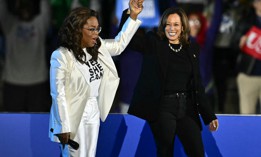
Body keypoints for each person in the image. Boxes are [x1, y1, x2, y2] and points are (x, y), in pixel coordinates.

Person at [119, 7, 219, 157]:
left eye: (176, 25)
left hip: (186, 108)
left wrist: (209, 115)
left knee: (197, 152)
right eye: (168, 24)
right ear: (163, 26)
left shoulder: (192, 48)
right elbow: (129, 39)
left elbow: (197, 85)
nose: (171, 28)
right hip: (162, 107)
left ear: (183, 27)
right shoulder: (154, 42)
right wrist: (131, 14)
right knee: (166, 151)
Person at [48, 0, 143, 156]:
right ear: (78, 30)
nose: (96, 33)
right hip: (73, 114)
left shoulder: (97, 46)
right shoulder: (61, 55)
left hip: (93, 109)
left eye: (97, 28)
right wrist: (63, 126)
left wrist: (132, 16)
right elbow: (58, 94)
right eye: (91, 29)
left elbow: (119, 44)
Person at [0, 0, 51, 112]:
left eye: (28, 4)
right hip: (13, 83)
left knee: (38, 123)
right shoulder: (10, 25)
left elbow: (45, 6)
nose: (25, 8)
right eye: (22, 5)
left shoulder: (40, 24)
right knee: (12, 123)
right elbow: (2, 7)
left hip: (38, 83)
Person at [231, 0, 261, 114]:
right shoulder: (246, 22)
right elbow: (233, 45)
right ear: (254, 4)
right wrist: (240, 41)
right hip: (248, 75)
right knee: (247, 114)